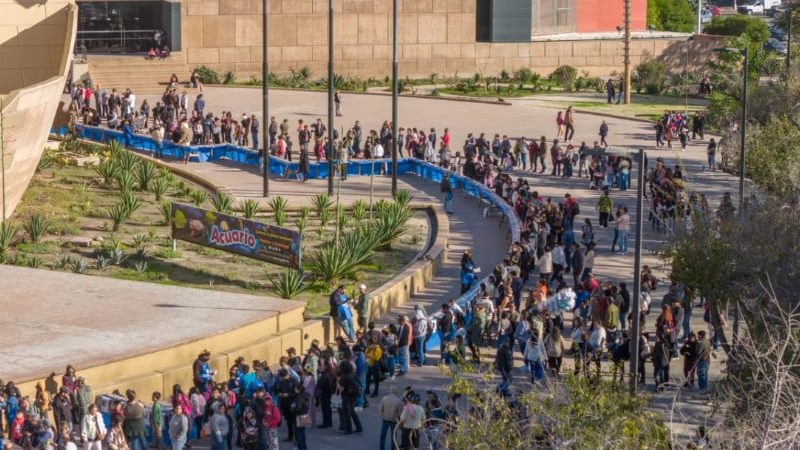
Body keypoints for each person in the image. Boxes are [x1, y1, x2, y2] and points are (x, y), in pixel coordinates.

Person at [290, 385, 310, 450]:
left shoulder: (299, 397)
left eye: (295, 389)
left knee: (299, 434)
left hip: (299, 416)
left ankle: (301, 447)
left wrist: (292, 407)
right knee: (302, 433)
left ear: (298, 390)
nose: (294, 390)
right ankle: (304, 447)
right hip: (305, 415)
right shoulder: (306, 396)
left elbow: (298, 408)